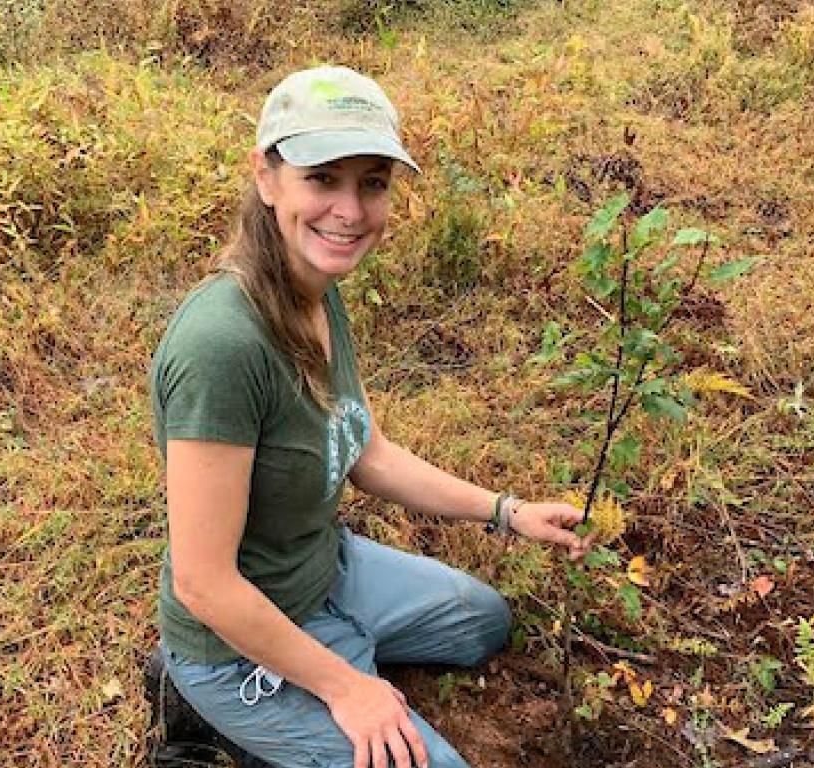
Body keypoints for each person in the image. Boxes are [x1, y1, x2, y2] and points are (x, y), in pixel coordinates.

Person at [149, 65, 596, 768]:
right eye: (322, 178)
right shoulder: (222, 347)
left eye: (373, 182)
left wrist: (507, 512)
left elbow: (366, 453)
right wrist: (347, 687)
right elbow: (202, 582)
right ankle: (216, 713)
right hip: (236, 645)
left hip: (326, 569)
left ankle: (339, 647)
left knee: (483, 624)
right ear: (267, 178)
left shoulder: (316, 290)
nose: (350, 211)